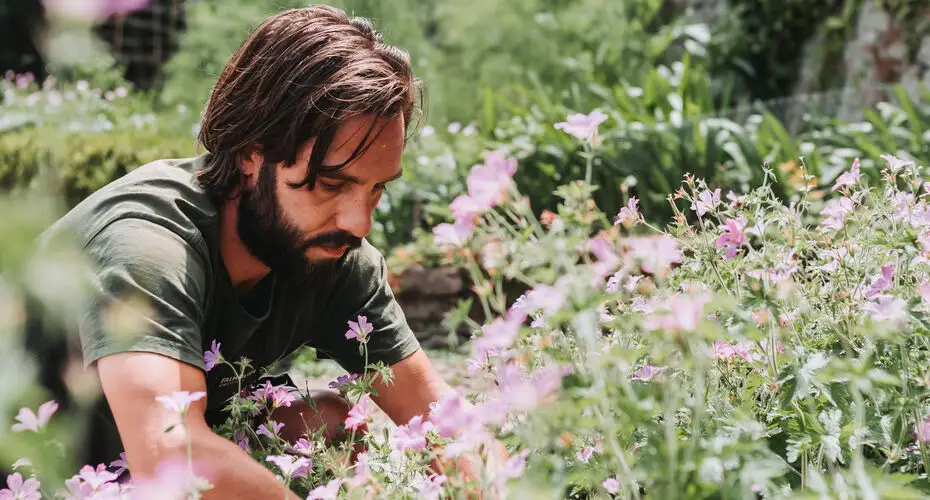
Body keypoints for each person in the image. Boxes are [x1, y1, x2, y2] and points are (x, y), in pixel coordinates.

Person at [24, 5, 470, 498]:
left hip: (125, 471)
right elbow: (172, 454)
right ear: (251, 151)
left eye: (376, 188)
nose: (358, 222)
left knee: (331, 425)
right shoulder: (147, 246)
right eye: (329, 184)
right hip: (30, 473)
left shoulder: (334, 254)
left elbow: (439, 418)